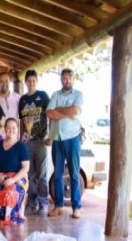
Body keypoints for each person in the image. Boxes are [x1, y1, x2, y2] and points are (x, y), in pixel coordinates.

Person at [46, 68, 83, 219]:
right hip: (57, 139)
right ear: (61, 80)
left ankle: (76, 207)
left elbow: (76, 111)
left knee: (74, 174)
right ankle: (59, 206)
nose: (66, 81)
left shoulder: (78, 95)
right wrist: (67, 112)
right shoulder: (55, 95)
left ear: (73, 80)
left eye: (69, 78)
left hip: (73, 138)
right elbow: (49, 113)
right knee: (57, 175)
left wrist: (59, 111)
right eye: (64, 78)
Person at [19, 69, 50, 216]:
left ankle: (43, 202)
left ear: (36, 82)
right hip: (27, 142)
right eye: (29, 81)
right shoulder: (23, 99)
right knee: (30, 174)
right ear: (25, 83)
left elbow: (49, 116)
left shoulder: (43, 96)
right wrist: (21, 140)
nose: (31, 83)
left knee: (41, 174)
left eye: (33, 81)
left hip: (41, 141)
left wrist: (48, 135)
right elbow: (21, 122)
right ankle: (33, 203)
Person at [0, 118, 30, 225]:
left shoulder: (21, 147)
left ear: (17, 129)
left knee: (9, 193)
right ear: (5, 129)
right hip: (1, 177)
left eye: (14, 128)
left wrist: (13, 180)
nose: (11, 130)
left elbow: (26, 167)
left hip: (18, 178)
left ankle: (10, 217)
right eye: (8, 128)